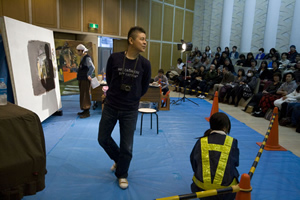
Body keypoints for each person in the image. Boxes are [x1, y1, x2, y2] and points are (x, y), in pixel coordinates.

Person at [97, 26, 151, 189]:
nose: (145, 42)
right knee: (103, 138)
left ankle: (122, 174)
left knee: (127, 146)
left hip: (130, 110)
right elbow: (111, 79)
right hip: (111, 106)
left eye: (145, 39)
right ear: (131, 40)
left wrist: (132, 98)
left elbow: (144, 87)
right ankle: (120, 161)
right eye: (141, 38)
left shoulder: (145, 64)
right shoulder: (114, 58)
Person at [190, 112, 239, 200]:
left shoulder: (201, 141)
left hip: (201, 189)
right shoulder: (232, 142)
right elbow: (235, 162)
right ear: (226, 127)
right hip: (226, 191)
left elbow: (194, 162)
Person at [76, 44, 95, 119]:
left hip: (85, 79)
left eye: (78, 51)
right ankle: (84, 110)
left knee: (85, 95)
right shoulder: (83, 58)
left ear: (81, 50)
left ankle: (87, 112)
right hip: (82, 78)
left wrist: (88, 75)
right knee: (82, 94)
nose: (77, 52)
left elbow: (92, 67)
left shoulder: (87, 58)